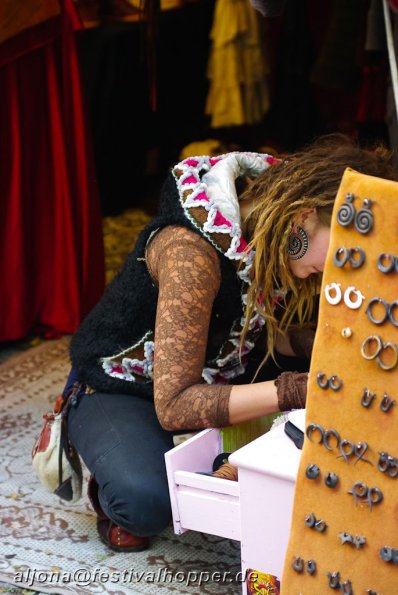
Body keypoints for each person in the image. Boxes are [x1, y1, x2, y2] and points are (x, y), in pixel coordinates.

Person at [66, 134, 397, 552]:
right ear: (303, 217)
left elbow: (261, 330)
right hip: (123, 384)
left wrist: (342, 346)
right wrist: (295, 389)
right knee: (145, 501)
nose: (334, 272)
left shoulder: (270, 226)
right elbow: (175, 406)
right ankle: (106, 464)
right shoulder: (193, 256)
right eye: (340, 253)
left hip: (215, 365)